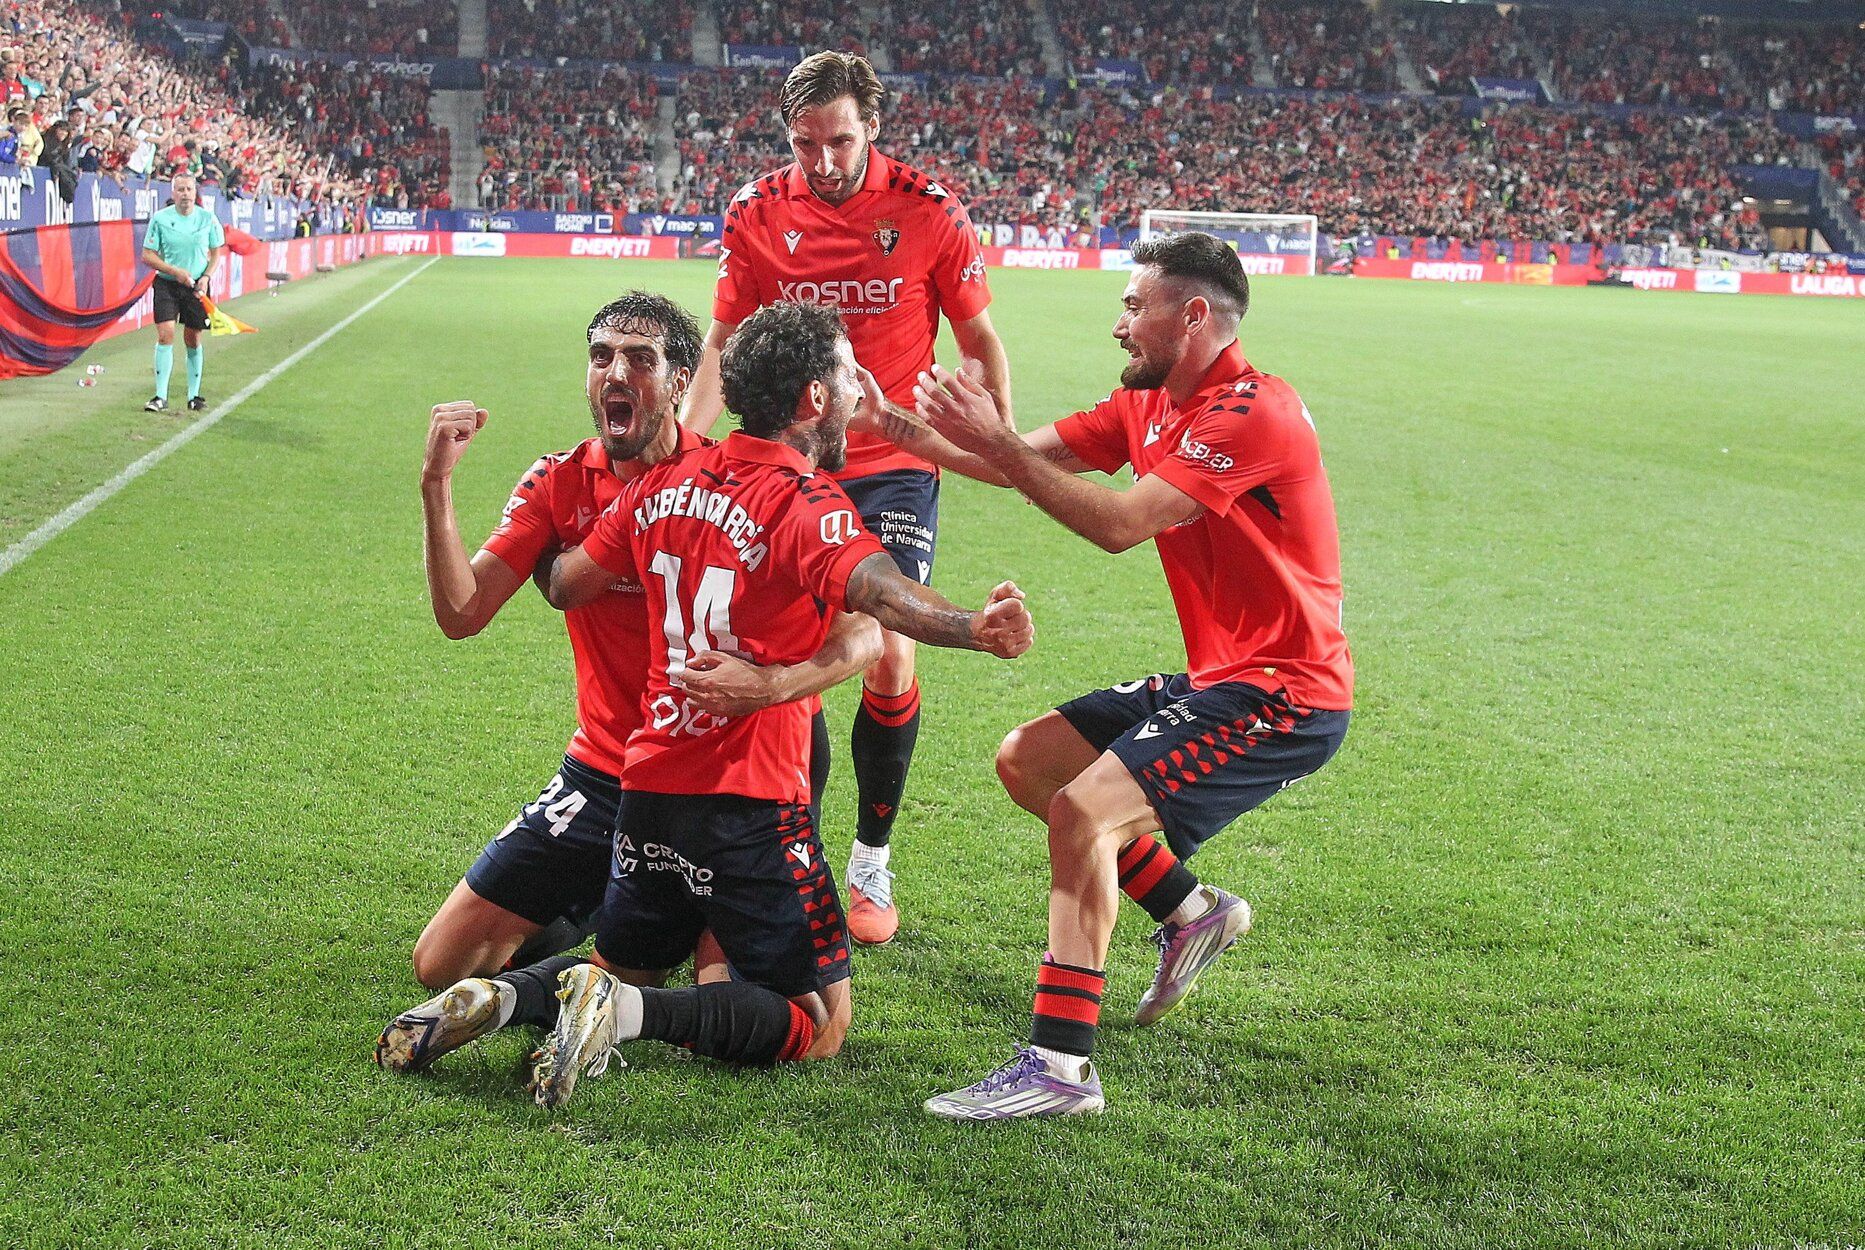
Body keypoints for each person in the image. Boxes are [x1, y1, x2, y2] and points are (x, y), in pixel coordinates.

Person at [526, 301, 1033, 1108]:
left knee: (630, 955)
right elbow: (883, 596)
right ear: (815, 400)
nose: (857, 385)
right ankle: (626, 1016)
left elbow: (562, 582)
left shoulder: (664, 483)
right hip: (750, 801)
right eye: (844, 372)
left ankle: (501, 998)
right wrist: (972, 627)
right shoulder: (807, 503)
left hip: (649, 783)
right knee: (819, 1024)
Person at [901, 232, 1353, 1118]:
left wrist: (995, 440)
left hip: (1284, 693)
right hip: (1220, 676)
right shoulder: (1143, 406)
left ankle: (1058, 1071)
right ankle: (1190, 912)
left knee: (1084, 812)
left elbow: (1119, 525)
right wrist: (892, 428)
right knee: (1030, 762)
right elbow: (1006, 460)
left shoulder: (1254, 410)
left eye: (1132, 306)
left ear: (1191, 316)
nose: (1118, 326)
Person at [375, 292, 880, 1074]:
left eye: (640, 359)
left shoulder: (724, 478)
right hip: (607, 768)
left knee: (728, 987)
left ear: (681, 382)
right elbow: (463, 612)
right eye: (602, 356)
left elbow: (852, 630)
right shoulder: (560, 484)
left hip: (732, 770)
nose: (617, 373)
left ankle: (625, 952)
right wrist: (436, 488)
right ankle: (609, 942)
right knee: (444, 962)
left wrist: (776, 684)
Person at [677, 51, 1012, 946]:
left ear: (872, 128)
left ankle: (870, 857)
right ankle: (799, 854)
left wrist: (994, 436)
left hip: (893, 462)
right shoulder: (755, 211)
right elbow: (719, 341)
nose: (822, 162)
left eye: (839, 141)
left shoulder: (929, 210)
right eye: (804, 144)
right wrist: (683, 443)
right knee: (797, 666)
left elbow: (978, 334)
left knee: (886, 651)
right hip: (789, 460)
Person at [138, 173, 224, 413]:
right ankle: (160, 396)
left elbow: (216, 254)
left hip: (196, 285)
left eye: (189, 189)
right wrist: (173, 270)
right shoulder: (161, 219)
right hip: (167, 283)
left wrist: (206, 278)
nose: (185, 193)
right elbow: (147, 254)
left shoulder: (207, 219)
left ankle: (194, 395)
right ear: (173, 193)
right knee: (165, 334)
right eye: (180, 189)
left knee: (192, 337)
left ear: (195, 193)